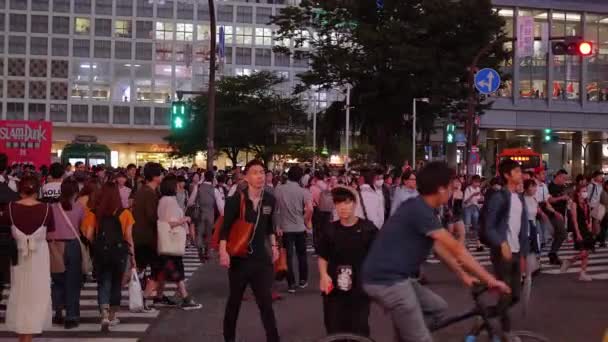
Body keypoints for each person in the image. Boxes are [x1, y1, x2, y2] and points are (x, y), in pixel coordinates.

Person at [362, 162, 510, 342]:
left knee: (437, 308)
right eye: (450, 186)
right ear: (441, 189)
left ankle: (408, 334)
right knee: (421, 338)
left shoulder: (421, 208)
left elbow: (439, 249)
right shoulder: (419, 210)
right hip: (386, 281)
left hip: (398, 278)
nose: (453, 189)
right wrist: (490, 280)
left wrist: (463, 275)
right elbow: (456, 248)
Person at [219, 160, 280, 342]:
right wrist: (223, 252)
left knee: (266, 304)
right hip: (239, 259)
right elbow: (225, 229)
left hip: (261, 260)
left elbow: (270, 227)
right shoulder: (235, 200)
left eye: (262, 172)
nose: (260, 176)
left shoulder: (270, 199)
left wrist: (274, 246)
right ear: (246, 177)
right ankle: (229, 338)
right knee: (234, 302)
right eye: (255, 172)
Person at [318, 187, 377, 338]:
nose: (343, 207)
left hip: (359, 288)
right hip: (334, 289)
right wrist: (324, 275)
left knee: (359, 329)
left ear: (355, 204)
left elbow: (378, 257)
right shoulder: (330, 229)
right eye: (338, 203)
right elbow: (323, 256)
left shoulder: (368, 229)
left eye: (347, 202)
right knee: (334, 329)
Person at [2, 175, 55, 342]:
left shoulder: (10, 208)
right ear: (37, 190)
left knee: (19, 292)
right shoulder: (47, 209)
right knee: (38, 293)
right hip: (39, 256)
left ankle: (22, 333)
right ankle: (30, 332)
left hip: (18, 255)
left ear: (20, 190)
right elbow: (51, 233)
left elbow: (4, 227)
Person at [483, 159, 530, 336]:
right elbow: (489, 227)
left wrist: (524, 254)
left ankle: (487, 315)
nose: (521, 174)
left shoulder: (519, 198)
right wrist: (501, 243)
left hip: (517, 252)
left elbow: (523, 229)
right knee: (506, 293)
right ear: (506, 175)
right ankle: (505, 332)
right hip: (502, 252)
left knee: (516, 295)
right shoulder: (499, 197)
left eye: (520, 171)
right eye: (517, 171)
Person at [83, 182, 136, 331]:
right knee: (116, 283)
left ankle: (104, 314)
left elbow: (88, 235)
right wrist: (133, 258)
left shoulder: (94, 213)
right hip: (120, 253)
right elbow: (129, 237)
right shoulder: (125, 213)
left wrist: (97, 245)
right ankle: (113, 316)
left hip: (102, 253)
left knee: (103, 282)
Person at [156, 176, 203, 309]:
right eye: (177, 185)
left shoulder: (165, 200)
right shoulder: (169, 201)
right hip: (171, 240)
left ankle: (159, 297)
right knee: (176, 269)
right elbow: (168, 223)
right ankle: (185, 297)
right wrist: (184, 220)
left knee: (166, 270)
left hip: (168, 240)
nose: (179, 187)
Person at [48, 178, 86, 329]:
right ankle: (72, 316)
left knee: (57, 281)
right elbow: (82, 228)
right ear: (76, 193)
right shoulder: (79, 207)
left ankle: (58, 313)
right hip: (72, 245)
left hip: (54, 246)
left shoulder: (51, 208)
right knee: (73, 282)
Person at [132, 162, 169, 309]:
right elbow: (152, 217)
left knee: (141, 268)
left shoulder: (143, 191)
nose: (162, 176)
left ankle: (147, 295)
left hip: (141, 236)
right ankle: (145, 296)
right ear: (154, 176)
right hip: (147, 237)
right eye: (160, 173)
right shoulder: (149, 193)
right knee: (157, 267)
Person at [274, 165, 314, 293]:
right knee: (302, 255)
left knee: (288, 256)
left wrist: (277, 225)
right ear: (300, 177)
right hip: (300, 227)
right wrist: (306, 220)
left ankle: (291, 283)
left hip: (285, 228)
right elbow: (310, 209)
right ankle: (303, 280)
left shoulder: (279, 189)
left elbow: (276, 210)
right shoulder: (304, 192)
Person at [561, 185, 595, 281]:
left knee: (587, 252)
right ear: (578, 193)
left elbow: (589, 216)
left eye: (586, 191)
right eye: (583, 191)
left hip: (587, 229)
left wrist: (590, 225)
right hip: (579, 229)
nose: (585, 193)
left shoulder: (586, 203)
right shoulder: (574, 204)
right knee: (583, 252)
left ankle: (582, 273)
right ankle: (569, 261)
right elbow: (574, 220)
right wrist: (578, 233)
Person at [196, 171, 221, 262]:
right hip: (210, 213)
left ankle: (199, 250)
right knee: (209, 234)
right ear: (213, 178)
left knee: (199, 233)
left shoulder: (199, 187)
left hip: (200, 212)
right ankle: (207, 252)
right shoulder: (214, 189)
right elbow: (220, 204)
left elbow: (194, 200)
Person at [546, 169, 570, 265]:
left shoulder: (562, 187)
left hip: (562, 213)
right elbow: (549, 200)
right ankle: (552, 253)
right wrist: (561, 198)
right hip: (553, 214)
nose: (564, 180)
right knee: (562, 234)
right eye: (563, 178)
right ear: (558, 176)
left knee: (559, 235)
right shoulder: (550, 187)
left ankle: (553, 254)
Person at [523, 179, 541, 275]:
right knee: (528, 247)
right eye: (532, 186)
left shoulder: (534, 198)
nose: (534, 189)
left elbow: (537, 211)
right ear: (526, 188)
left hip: (533, 224)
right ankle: (526, 269)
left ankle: (533, 266)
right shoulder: (522, 199)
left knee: (534, 246)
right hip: (526, 225)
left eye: (535, 186)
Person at [464, 175, 484, 251]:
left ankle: (478, 245)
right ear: (472, 182)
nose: (477, 184)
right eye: (476, 182)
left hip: (476, 208)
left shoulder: (478, 189)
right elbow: (465, 201)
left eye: (478, 183)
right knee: (467, 226)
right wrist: (472, 195)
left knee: (476, 226)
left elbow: (479, 201)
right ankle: (466, 244)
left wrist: (481, 198)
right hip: (468, 208)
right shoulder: (468, 189)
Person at [446, 177, 466, 246]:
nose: (457, 183)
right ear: (451, 183)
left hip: (458, 215)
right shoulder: (448, 191)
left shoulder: (460, 192)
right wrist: (449, 210)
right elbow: (445, 203)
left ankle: (459, 250)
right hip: (449, 215)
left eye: (458, 182)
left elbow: (461, 205)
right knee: (450, 235)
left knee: (462, 234)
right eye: (455, 182)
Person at [587, 170, 604, 237]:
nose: (601, 177)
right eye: (600, 176)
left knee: (597, 223)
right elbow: (588, 197)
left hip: (598, 206)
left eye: (601, 176)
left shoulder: (600, 185)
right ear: (595, 177)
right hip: (592, 206)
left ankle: (595, 236)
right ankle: (594, 236)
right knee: (594, 223)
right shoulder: (591, 186)